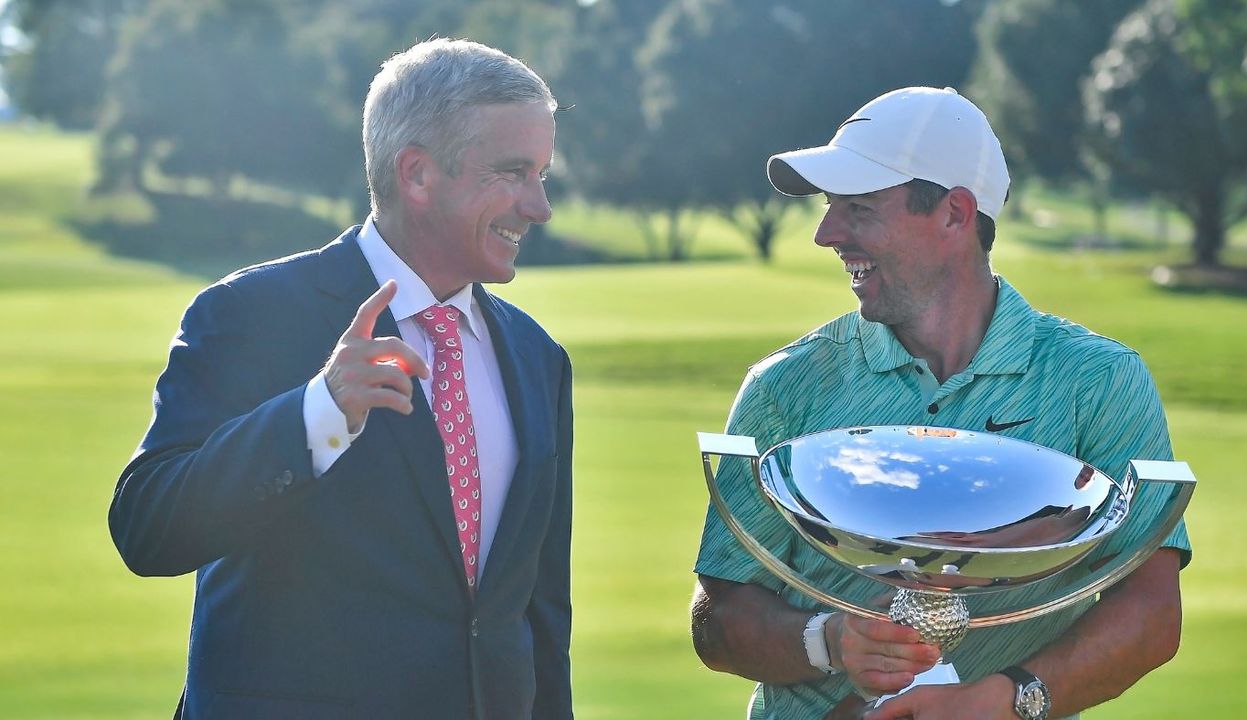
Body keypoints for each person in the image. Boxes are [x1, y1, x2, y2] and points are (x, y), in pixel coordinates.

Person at [690, 87, 1190, 720]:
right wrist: (827, 643)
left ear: (955, 213)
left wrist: (1008, 700)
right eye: (828, 207)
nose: (826, 233)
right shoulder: (785, 386)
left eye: (859, 208)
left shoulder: (1097, 381)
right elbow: (718, 617)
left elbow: (1151, 611)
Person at [109, 38, 572, 720]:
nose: (539, 207)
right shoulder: (248, 314)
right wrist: (315, 415)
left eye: (542, 175)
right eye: (513, 173)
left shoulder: (538, 356)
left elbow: (540, 616)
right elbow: (147, 528)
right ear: (415, 173)